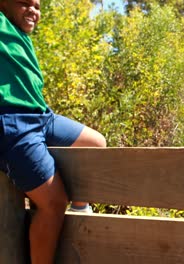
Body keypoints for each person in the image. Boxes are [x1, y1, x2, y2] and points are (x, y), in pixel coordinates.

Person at [0, 0, 106, 262]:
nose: (33, 11)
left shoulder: (19, 33)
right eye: (24, 4)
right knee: (54, 203)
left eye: (37, 6)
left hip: (43, 116)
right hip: (14, 124)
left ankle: (79, 211)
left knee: (96, 143)